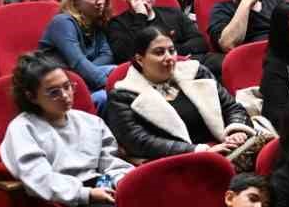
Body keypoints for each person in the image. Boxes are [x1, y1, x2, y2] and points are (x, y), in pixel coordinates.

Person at [0, 52, 131, 207]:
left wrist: (125, 183)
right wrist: (87, 194)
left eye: (67, 86)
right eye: (53, 92)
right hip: (62, 202)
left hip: (101, 189)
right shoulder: (22, 129)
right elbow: (40, 178)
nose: (65, 95)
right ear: (31, 97)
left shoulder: (90, 121)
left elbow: (112, 163)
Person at [105, 25, 254, 160]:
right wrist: (198, 151)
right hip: (175, 162)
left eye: (171, 50)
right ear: (139, 59)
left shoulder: (196, 72)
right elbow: (139, 141)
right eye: (159, 52)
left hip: (225, 148)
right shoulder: (123, 95)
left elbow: (231, 107)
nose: (169, 57)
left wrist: (236, 130)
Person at [106, 0, 208, 63]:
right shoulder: (117, 24)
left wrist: (165, 51)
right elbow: (127, 57)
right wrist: (140, 16)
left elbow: (200, 43)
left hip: (190, 64)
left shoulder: (173, 13)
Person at [39, 0, 116, 102]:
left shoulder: (95, 19)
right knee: (104, 96)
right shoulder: (62, 22)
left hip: (85, 78)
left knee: (116, 70)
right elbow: (78, 63)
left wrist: (91, 71)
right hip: (61, 88)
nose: (100, 1)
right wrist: (115, 85)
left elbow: (107, 55)